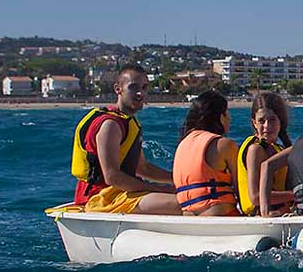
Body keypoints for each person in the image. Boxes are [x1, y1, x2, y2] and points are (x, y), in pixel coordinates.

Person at [70, 64, 179, 214]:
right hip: (101, 199)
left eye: (144, 87)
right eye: (133, 87)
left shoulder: (128, 121)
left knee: (191, 195)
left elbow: (143, 168)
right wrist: (158, 189)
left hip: (118, 194)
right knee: (185, 203)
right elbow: (112, 177)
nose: (140, 93)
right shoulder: (111, 125)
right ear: (118, 89)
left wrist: (178, 180)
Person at [173, 90, 240, 216]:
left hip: (189, 217)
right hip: (221, 214)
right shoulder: (223, 145)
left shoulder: (182, 144)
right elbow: (240, 188)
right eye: (228, 114)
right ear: (222, 117)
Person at [236, 92, 293, 216]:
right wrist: (296, 195)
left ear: (281, 121)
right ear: (254, 123)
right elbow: (255, 197)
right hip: (260, 216)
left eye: (272, 120)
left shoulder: (278, 148)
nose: (267, 126)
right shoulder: (255, 150)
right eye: (261, 121)